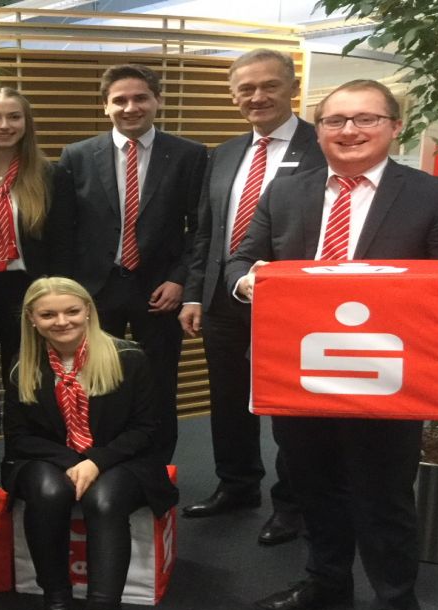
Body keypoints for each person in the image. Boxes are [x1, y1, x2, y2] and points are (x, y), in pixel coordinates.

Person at [227, 80, 438, 610]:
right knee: (312, 486)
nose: (348, 131)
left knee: (383, 498)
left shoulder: (433, 194)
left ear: (395, 126)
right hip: (300, 373)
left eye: (365, 119)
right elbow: (242, 260)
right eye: (334, 121)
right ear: (318, 130)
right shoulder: (285, 192)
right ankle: (326, 580)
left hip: (388, 375)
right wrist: (248, 282)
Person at [178, 49, 325, 545]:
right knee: (228, 400)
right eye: (246, 89)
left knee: (289, 410)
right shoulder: (220, 154)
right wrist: (196, 295)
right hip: (223, 299)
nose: (257, 97)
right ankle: (237, 485)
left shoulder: (323, 148)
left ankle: (293, 503)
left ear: (292, 88)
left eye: (269, 86)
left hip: (294, 305)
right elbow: (205, 233)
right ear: (233, 94)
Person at [3, 276, 179, 610]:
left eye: (72, 311)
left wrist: (97, 460)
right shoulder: (21, 365)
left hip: (121, 458)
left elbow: (146, 429)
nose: (61, 321)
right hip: (50, 456)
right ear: (32, 319)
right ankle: (58, 604)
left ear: (88, 312)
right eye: (48, 314)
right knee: (48, 492)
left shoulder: (129, 357)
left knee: (104, 500)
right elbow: (18, 437)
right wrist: (71, 459)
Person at [56, 64, 207, 464]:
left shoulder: (190, 155)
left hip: (160, 292)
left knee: (158, 385)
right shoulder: (77, 155)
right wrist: (72, 291)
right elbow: (64, 229)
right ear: (105, 106)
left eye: (140, 97)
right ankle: (98, 462)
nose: (130, 107)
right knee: (93, 382)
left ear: (157, 100)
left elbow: (200, 228)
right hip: (94, 292)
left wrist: (180, 281)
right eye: (119, 100)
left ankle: (156, 470)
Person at [0, 87, 75, 380]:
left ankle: (21, 426)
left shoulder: (50, 175)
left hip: (29, 285)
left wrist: (57, 290)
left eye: (14, 117)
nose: (4, 126)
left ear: (26, 123)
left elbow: (63, 241)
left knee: (26, 368)